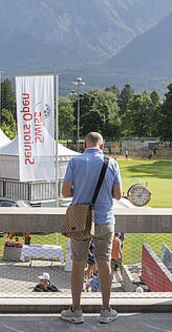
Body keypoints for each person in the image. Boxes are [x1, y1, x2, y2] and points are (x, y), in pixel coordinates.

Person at [60, 132, 122, 324]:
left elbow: (64, 192)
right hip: (104, 218)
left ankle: (76, 311)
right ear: (102, 146)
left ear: (84, 144)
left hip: (80, 218)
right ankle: (105, 310)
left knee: (78, 263)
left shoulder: (75, 161)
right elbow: (118, 195)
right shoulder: (111, 163)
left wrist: (79, 189)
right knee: (103, 264)